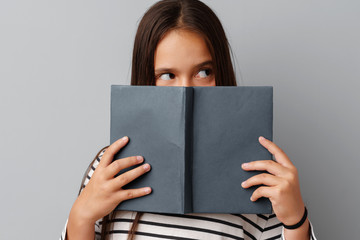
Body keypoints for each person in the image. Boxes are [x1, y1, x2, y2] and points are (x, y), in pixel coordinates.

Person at [60, 0, 317, 239]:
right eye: (167, 75)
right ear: (146, 80)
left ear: (221, 73)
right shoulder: (110, 169)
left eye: (204, 72)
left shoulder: (258, 176)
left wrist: (296, 220)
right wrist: (81, 216)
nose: (186, 91)